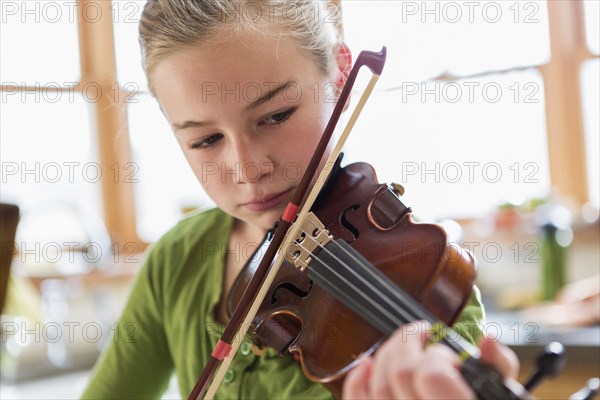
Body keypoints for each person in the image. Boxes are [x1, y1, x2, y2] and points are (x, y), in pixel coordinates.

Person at [82, 0, 518, 398]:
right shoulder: (177, 258)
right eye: (205, 139)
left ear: (341, 76)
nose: (248, 168)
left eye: (276, 115)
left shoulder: (419, 274)